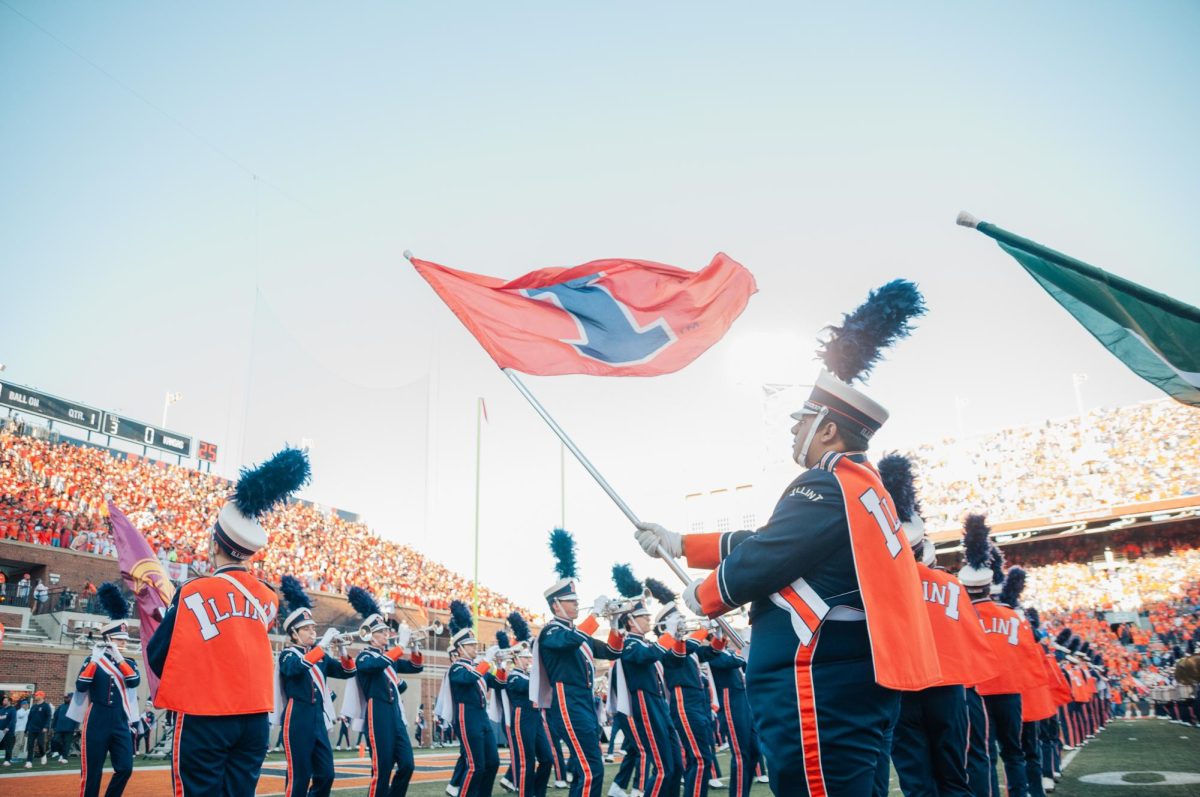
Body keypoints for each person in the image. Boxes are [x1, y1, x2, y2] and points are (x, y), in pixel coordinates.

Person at [636, 280, 941, 796]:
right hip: (855, 676)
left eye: (802, 420)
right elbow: (775, 538)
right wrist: (682, 543)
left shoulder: (826, 481)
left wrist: (701, 594)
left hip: (820, 680)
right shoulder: (860, 489)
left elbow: (769, 553)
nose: (792, 430)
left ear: (827, 429)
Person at [148, 447, 309, 796]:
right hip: (254, 720)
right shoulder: (268, 598)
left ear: (213, 543)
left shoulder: (193, 591)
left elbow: (158, 657)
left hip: (205, 715)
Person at [878, 453, 999, 797]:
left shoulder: (877, 584)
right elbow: (971, 639)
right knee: (953, 777)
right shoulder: (950, 584)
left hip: (900, 689)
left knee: (917, 783)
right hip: (948, 688)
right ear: (921, 547)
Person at [532, 529, 624, 797]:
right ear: (556, 605)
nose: (576, 605)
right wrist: (594, 615)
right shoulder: (551, 631)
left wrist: (615, 623)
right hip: (567, 701)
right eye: (570, 601)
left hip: (583, 702)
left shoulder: (577, 633)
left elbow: (610, 651)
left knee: (591, 767)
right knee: (589, 769)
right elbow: (569, 640)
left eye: (576, 601)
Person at [274, 575, 358, 797]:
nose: (313, 631)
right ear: (293, 633)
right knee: (299, 776)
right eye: (307, 629)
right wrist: (321, 645)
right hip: (298, 717)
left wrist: (341, 650)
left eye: (313, 628)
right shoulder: (287, 655)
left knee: (326, 774)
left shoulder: (318, 656)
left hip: (318, 718)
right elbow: (297, 668)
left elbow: (348, 671)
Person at [346, 586, 424, 797]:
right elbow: (376, 664)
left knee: (407, 764)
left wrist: (414, 647)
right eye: (381, 632)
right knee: (382, 769)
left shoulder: (388, 658)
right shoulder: (364, 656)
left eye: (386, 631)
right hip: (377, 713)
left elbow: (416, 667)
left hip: (395, 715)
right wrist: (400, 645)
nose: (386, 634)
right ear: (370, 637)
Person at [611, 572, 682, 797]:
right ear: (631, 621)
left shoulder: (644, 643)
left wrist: (678, 637)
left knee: (675, 767)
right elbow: (648, 655)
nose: (649, 619)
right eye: (644, 616)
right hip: (645, 703)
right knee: (662, 768)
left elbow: (673, 659)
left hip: (659, 704)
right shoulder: (629, 644)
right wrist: (669, 633)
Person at [71, 583, 140, 795]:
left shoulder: (128, 661)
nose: (124, 643)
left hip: (120, 720)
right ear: (109, 638)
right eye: (119, 640)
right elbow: (81, 685)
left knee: (125, 768)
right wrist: (94, 659)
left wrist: (119, 658)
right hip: (97, 719)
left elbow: (133, 680)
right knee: (92, 772)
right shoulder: (92, 661)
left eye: (124, 640)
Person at [436, 600, 501, 797]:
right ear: (460, 649)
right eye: (470, 645)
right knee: (475, 766)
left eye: (474, 644)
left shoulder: (477, 667)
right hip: (467, 717)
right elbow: (468, 679)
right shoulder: (457, 668)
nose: (474, 647)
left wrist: (502, 665)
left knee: (493, 762)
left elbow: (499, 683)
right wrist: (486, 662)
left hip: (481, 717)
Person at [506, 612, 554, 797]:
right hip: (522, 717)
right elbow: (531, 686)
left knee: (547, 759)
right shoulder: (514, 677)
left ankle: (537, 793)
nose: (528, 660)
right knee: (527, 761)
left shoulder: (527, 675)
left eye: (528, 656)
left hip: (535, 718)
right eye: (525, 657)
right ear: (516, 658)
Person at [24, 691, 51, 767]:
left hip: (41, 729)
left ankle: (43, 755)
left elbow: (48, 717)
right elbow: (29, 718)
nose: (35, 696)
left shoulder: (46, 706)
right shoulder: (33, 706)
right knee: (30, 745)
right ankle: (29, 761)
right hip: (32, 729)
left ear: (41, 696)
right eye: (35, 695)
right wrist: (26, 729)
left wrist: (46, 727)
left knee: (40, 744)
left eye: (36, 695)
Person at [52, 694, 77, 763]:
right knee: (56, 740)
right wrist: (53, 726)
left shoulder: (74, 707)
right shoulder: (61, 706)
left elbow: (77, 718)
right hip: (59, 728)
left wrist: (76, 728)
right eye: (65, 698)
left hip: (70, 728)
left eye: (67, 698)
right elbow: (55, 716)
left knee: (67, 743)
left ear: (71, 698)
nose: (65, 699)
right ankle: (61, 754)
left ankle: (65, 758)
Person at [0, 696, 16, 765]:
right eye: (3, 700)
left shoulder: (12, 710)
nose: (4, 702)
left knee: (8, 746)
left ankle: (7, 760)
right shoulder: (2, 710)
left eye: (5, 700)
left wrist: (8, 728)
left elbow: (13, 720)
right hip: (0, 731)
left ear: (9, 701)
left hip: (9, 732)